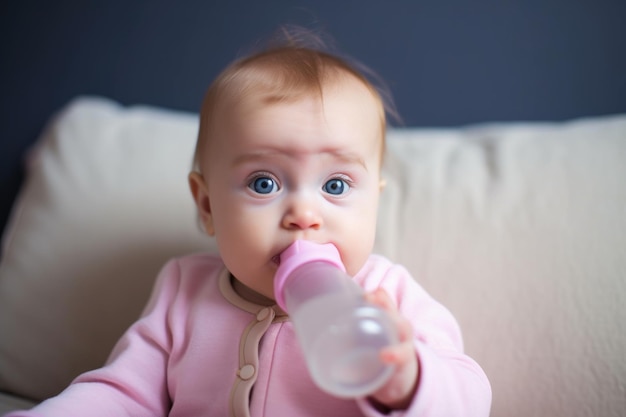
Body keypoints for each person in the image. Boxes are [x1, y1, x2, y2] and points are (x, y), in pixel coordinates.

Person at [5, 28, 491, 417]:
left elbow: (470, 398)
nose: (304, 215)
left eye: (336, 186)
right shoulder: (183, 289)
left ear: (375, 204)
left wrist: (406, 379)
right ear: (208, 206)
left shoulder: (387, 297)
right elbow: (123, 395)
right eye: (264, 183)